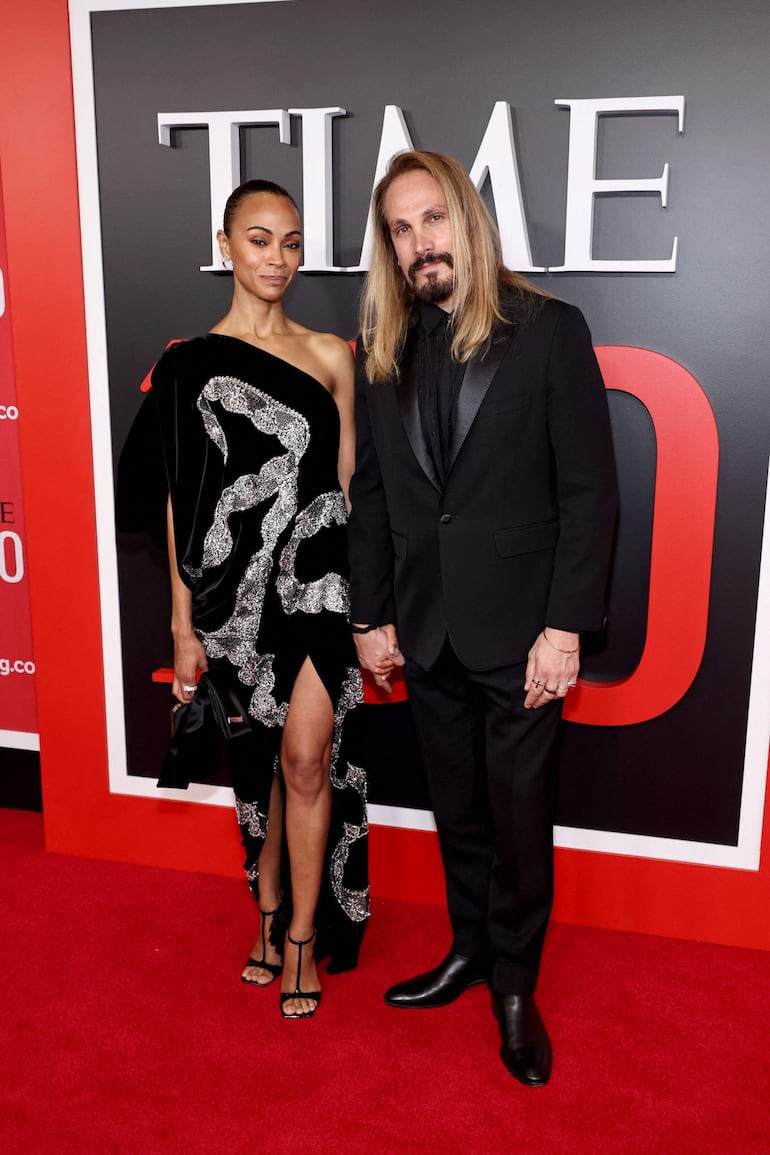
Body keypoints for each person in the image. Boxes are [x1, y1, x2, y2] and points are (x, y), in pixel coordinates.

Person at [347, 151, 617, 1083]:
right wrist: (370, 613)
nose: (420, 242)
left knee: (518, 818)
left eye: (433, 218)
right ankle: (468, 948)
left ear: (467, 217)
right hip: (425, 629)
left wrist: (565, 628)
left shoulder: (549, 330)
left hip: (523, 635)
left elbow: (589, 493)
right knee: (456, 808)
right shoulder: (383, 348)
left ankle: (514, 982)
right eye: (401, 229)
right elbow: (373, 493)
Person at [124, 179, 369, 1019]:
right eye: (260, 239)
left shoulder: (332, 354)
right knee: (259, 763)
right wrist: (181, 624)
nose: (278, 257)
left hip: (320, 586)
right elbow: (175, 502)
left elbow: (347, 486)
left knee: (306, 759)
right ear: (224, 245)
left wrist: (365, 602)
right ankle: (266, 910)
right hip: (234, 597)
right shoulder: (187, 364)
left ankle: (299, 935)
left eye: (291, 241)